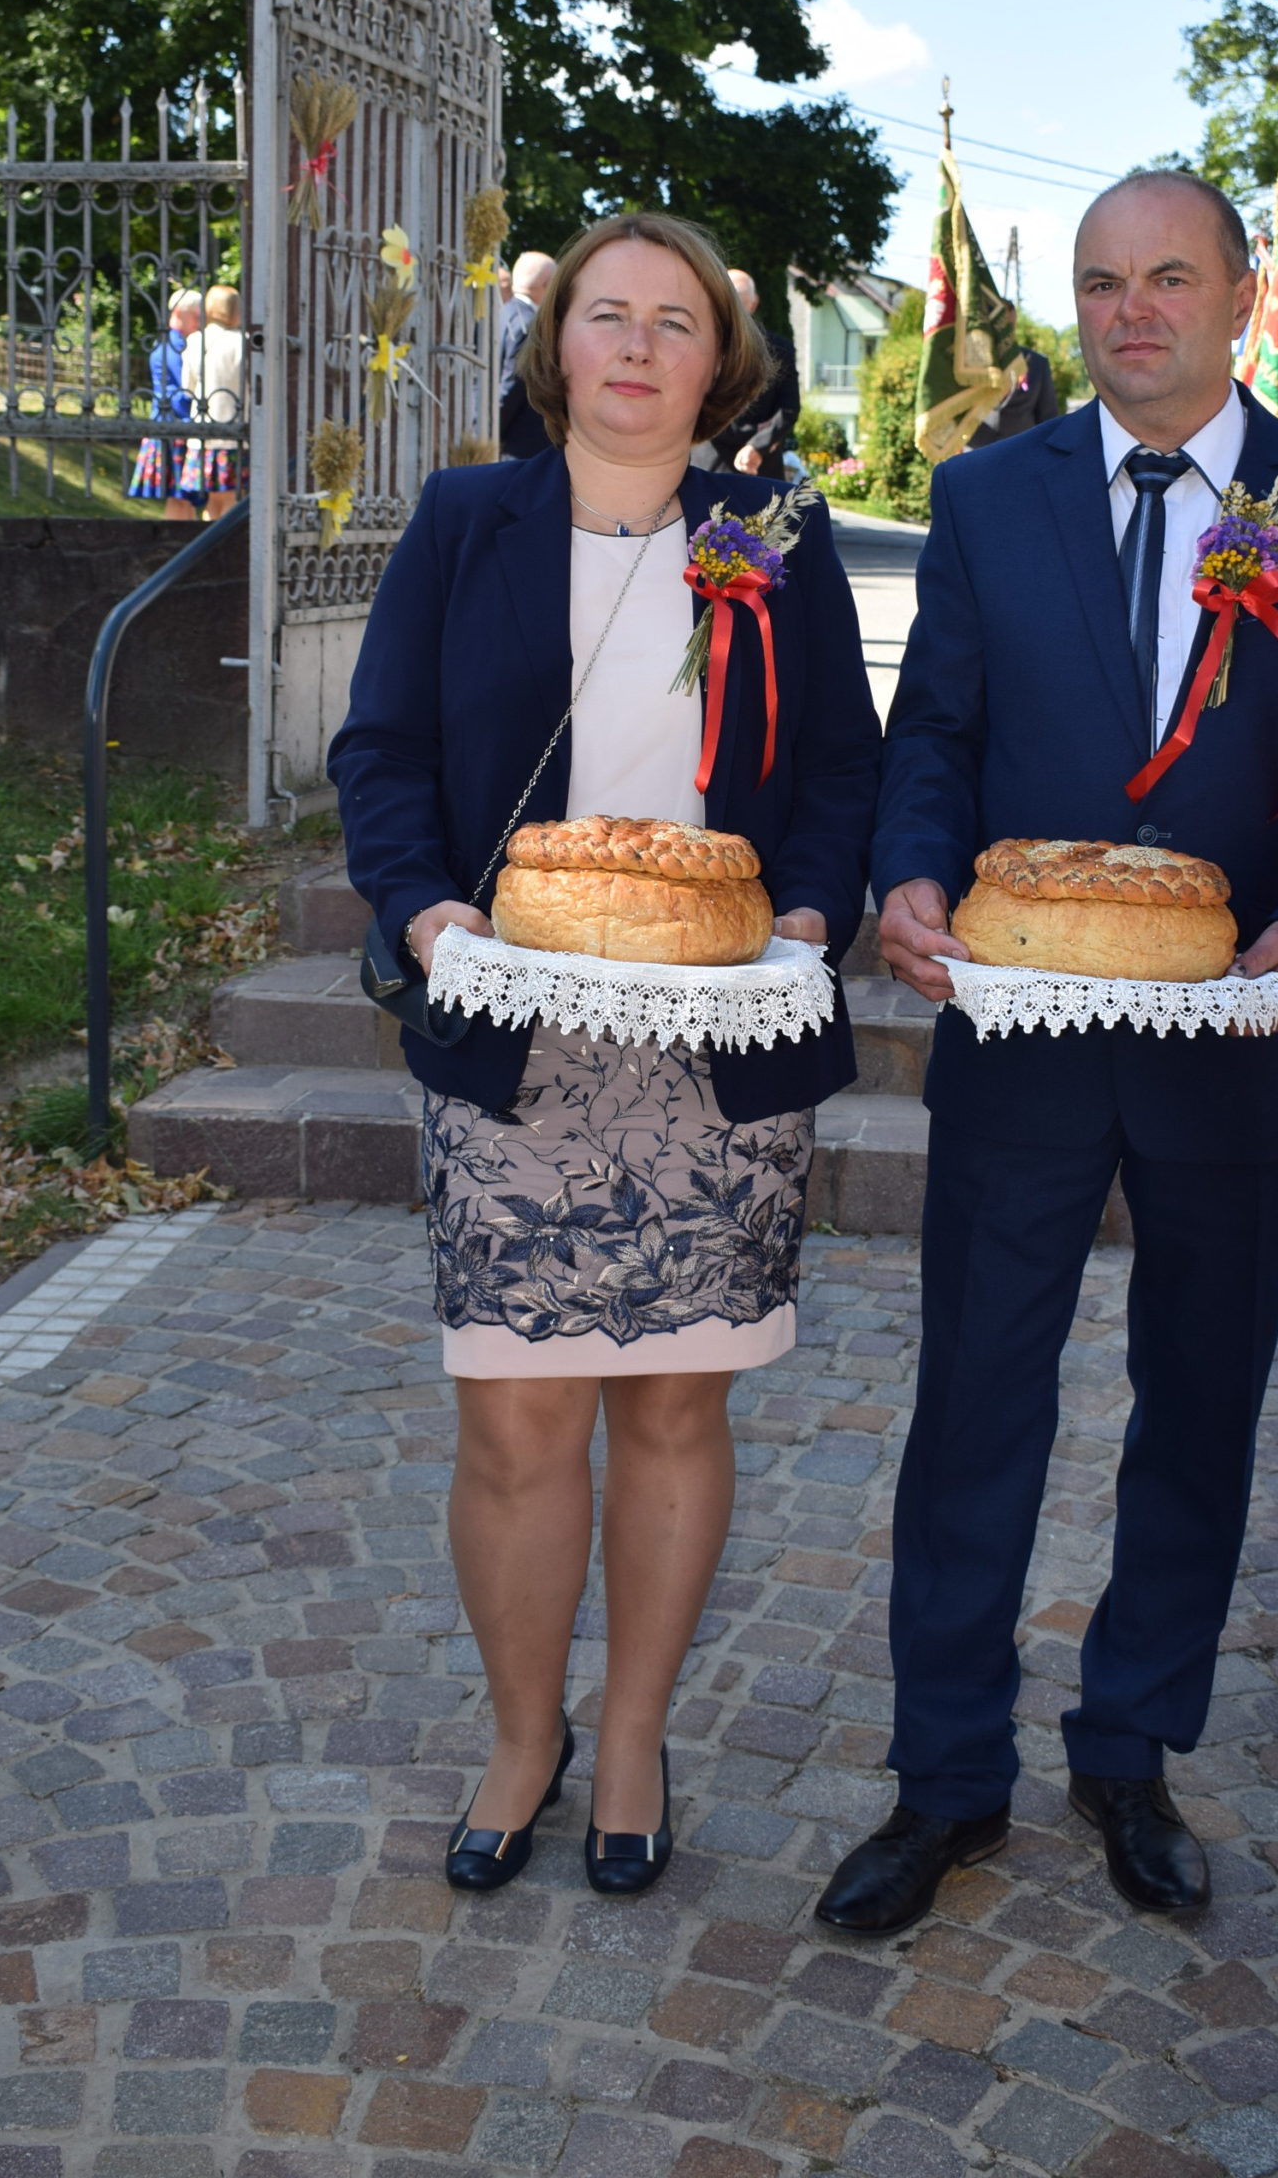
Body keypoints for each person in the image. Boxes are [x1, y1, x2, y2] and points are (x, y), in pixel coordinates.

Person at [817, 170, 1278, 1939]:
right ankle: (944, 1776)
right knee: (973, 1410)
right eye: (1101, 283)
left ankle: (1129, 1748)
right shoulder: (986, 497)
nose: (1130, 312)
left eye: (1169, 277)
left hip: (1240, 1038)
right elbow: (932, 732)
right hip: (1018, 1031)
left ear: (1243, 296)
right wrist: (909, 874)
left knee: (1197, 1415)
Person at [329, 211, 880, 1900]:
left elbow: (842, 772)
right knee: (514, 1424)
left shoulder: (774, 532)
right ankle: (524, 1737)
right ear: (554, 344)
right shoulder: (464, 521)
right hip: (514, 1020)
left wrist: (806, 918)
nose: (637, 347)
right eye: (607, 315)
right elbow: (380, 751)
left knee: (674, 1406)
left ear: (721, 365)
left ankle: (632, 1735)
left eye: (674, 322)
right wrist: (426, 915)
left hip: (716, 1034)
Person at [696, 268, 802, 475]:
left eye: (740, 301)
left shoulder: (779, 349)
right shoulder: (699, 346)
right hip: (710, 463)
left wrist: (758, 445)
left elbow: (789, 408)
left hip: (760, 465)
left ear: (754, 304)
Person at [127, 289, 202, 515]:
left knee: (181, 498)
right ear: (178, 313)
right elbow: (184, 391)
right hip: (175, 427)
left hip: (172, 426)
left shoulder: (173, 345)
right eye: (196, 316)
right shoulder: (176, 348)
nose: (200, 323)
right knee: (180, 497)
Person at [178, 285, 245, 516]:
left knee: (211, 501)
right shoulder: (242, 342)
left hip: (203, 431)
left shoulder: (196, 341)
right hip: (235, 431)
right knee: (231, 498)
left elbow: (187, 388)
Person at [963, 317, 1063, 447]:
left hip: (1024, 452)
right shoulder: (965, 364)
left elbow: (1048, 421)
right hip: (975, 450)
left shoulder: (1036, 363)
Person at [498, 249, 556, 457]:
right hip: (520, 445)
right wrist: (493, 431)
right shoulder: (530, 325)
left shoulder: (502, 314)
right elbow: (512, 386)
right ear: (547, 286)